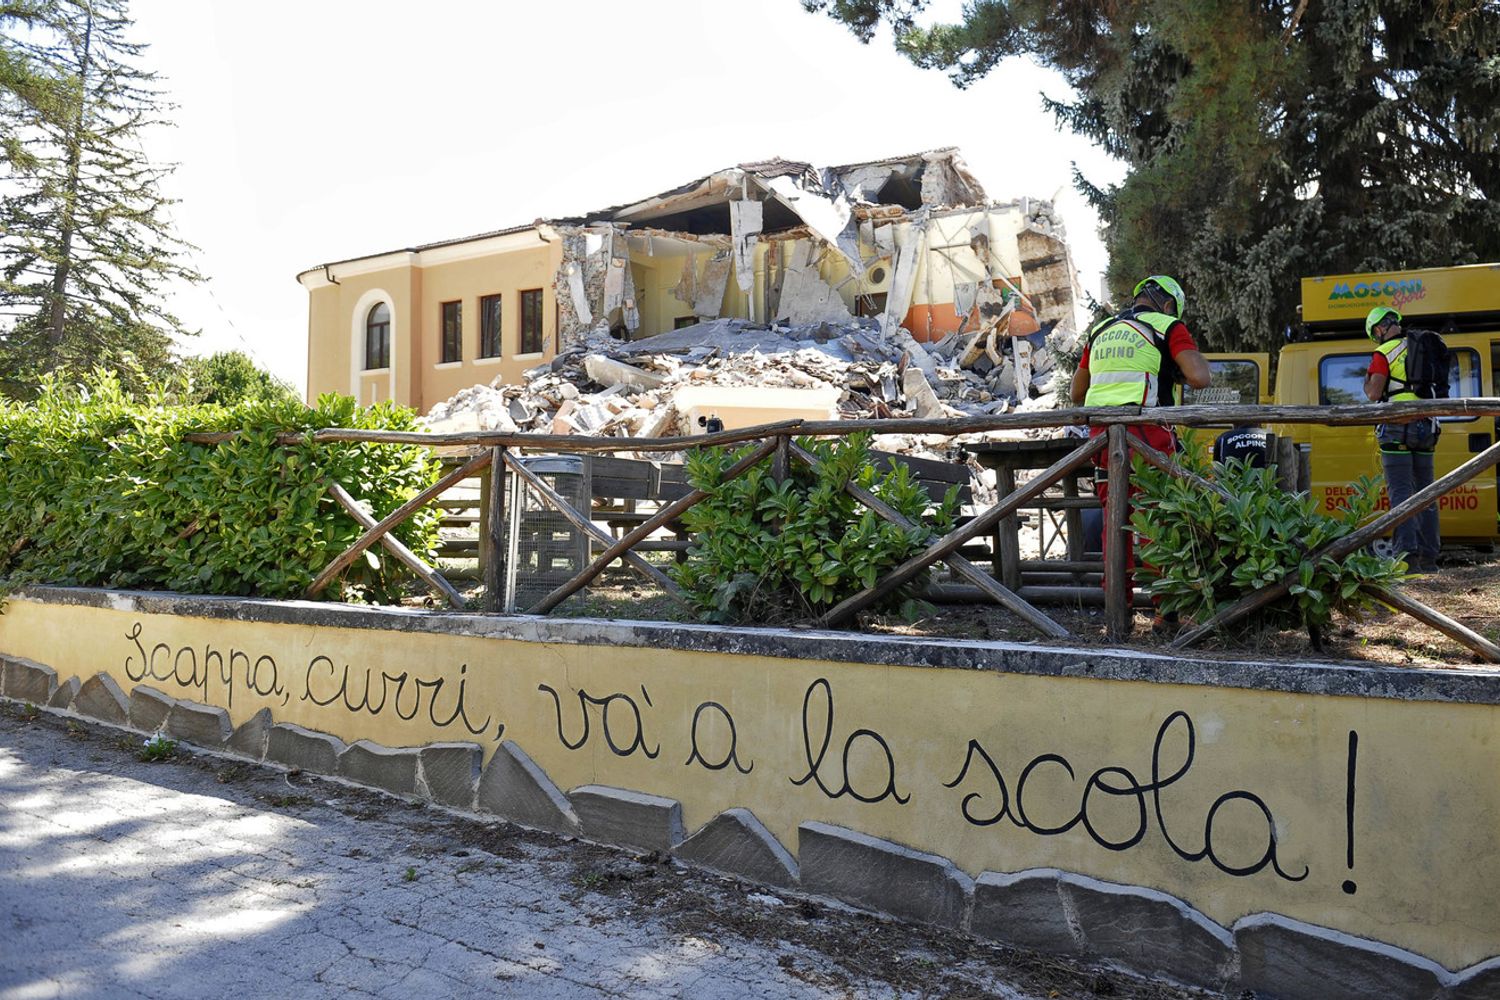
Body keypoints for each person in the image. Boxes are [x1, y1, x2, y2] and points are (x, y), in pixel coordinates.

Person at [1070, 275, 1211, 626]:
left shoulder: (1101, 329)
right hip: (1148, 438)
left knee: (1114, 526)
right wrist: (1176, 366)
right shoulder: (1167, 325)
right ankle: (1166, 614)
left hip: (1103, 440)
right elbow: (1200, 377)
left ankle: (1119, 614)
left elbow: (1077, 393)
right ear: (1167, 304)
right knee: (1158, 524)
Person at [1362, 306, 1441, 572]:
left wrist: (1367, 380)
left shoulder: (1383, 353)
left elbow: (1374, 394)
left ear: (1379, 328)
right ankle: (1430, 559)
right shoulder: (1422, 345)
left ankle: (1407, 559)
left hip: (1396, 428)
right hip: (1427, 427)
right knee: (1427, 493)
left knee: (1401, 494)